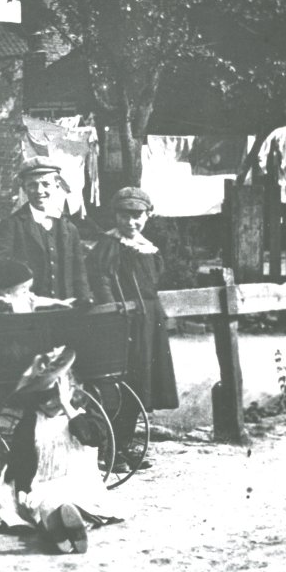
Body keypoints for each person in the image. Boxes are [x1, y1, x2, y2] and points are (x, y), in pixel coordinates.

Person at [0, 346, 124, 554]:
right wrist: (23, 489)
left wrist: (67, 405)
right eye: (42, 399)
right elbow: (21, 458)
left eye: (55, 397)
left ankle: (69, 526)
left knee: (76, 502)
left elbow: (92, 439)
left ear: (70, 390)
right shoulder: (32, 422)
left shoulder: (82, 416)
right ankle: (59, 531)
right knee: (43, 505)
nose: (50, 403)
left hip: (79, 481)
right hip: (44, 483)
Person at [86, 188, 179, 468]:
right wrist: (114, 311)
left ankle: (124, 445)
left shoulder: (148, 247)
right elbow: (100, 279)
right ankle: (107, 450)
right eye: (124, 216)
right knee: (118, 384)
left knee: (140, 383)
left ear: (147, 216)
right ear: (116, 216)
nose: (131, 222)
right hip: (122, 321)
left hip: (148, 324)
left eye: (137, 216)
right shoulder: (110, 245)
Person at [0, 156, 92, 307]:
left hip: (66, 307)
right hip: (29, 311)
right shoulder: (12, 226)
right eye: (32, 185)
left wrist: (84, 301)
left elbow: (79, 272)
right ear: (24, 188)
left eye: (46, 184)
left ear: (57, 185)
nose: (39, 191)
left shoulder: (70, 229)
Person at [0, 258, 75, 313]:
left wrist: (60, 302)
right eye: (24, 290)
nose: (29, 293)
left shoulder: (24, 297)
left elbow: (38, 300)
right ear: (8, 292)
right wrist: (6, 302)